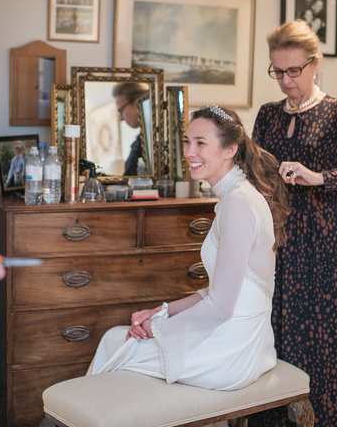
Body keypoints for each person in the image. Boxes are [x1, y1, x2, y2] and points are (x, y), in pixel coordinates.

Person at [86, 104, 290, 391]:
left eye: (201, 143)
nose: (189, 152)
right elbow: (223, 290)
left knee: (116, 343)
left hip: (232, 351)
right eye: (187, 141)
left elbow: (220, 305)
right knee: (117, 338)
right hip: (239, 339)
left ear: (229, 149)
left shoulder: (238, 204)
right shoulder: (238, 196)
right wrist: (163, 310)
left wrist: (156, 328)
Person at [249, 19, 337, 426]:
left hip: (325, 242)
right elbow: (254, 171)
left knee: (323, 339)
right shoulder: (266, 116)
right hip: (278, 240)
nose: (284, 80)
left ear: (314, 64)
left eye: (293, 71)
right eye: (277, 71)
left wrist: (321, 177)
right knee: (279, 332)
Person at [112, 81, 150, 176]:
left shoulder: (152, 138)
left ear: (136, 102)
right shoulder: (142, 138)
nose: (121, 118)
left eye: (121, 110)